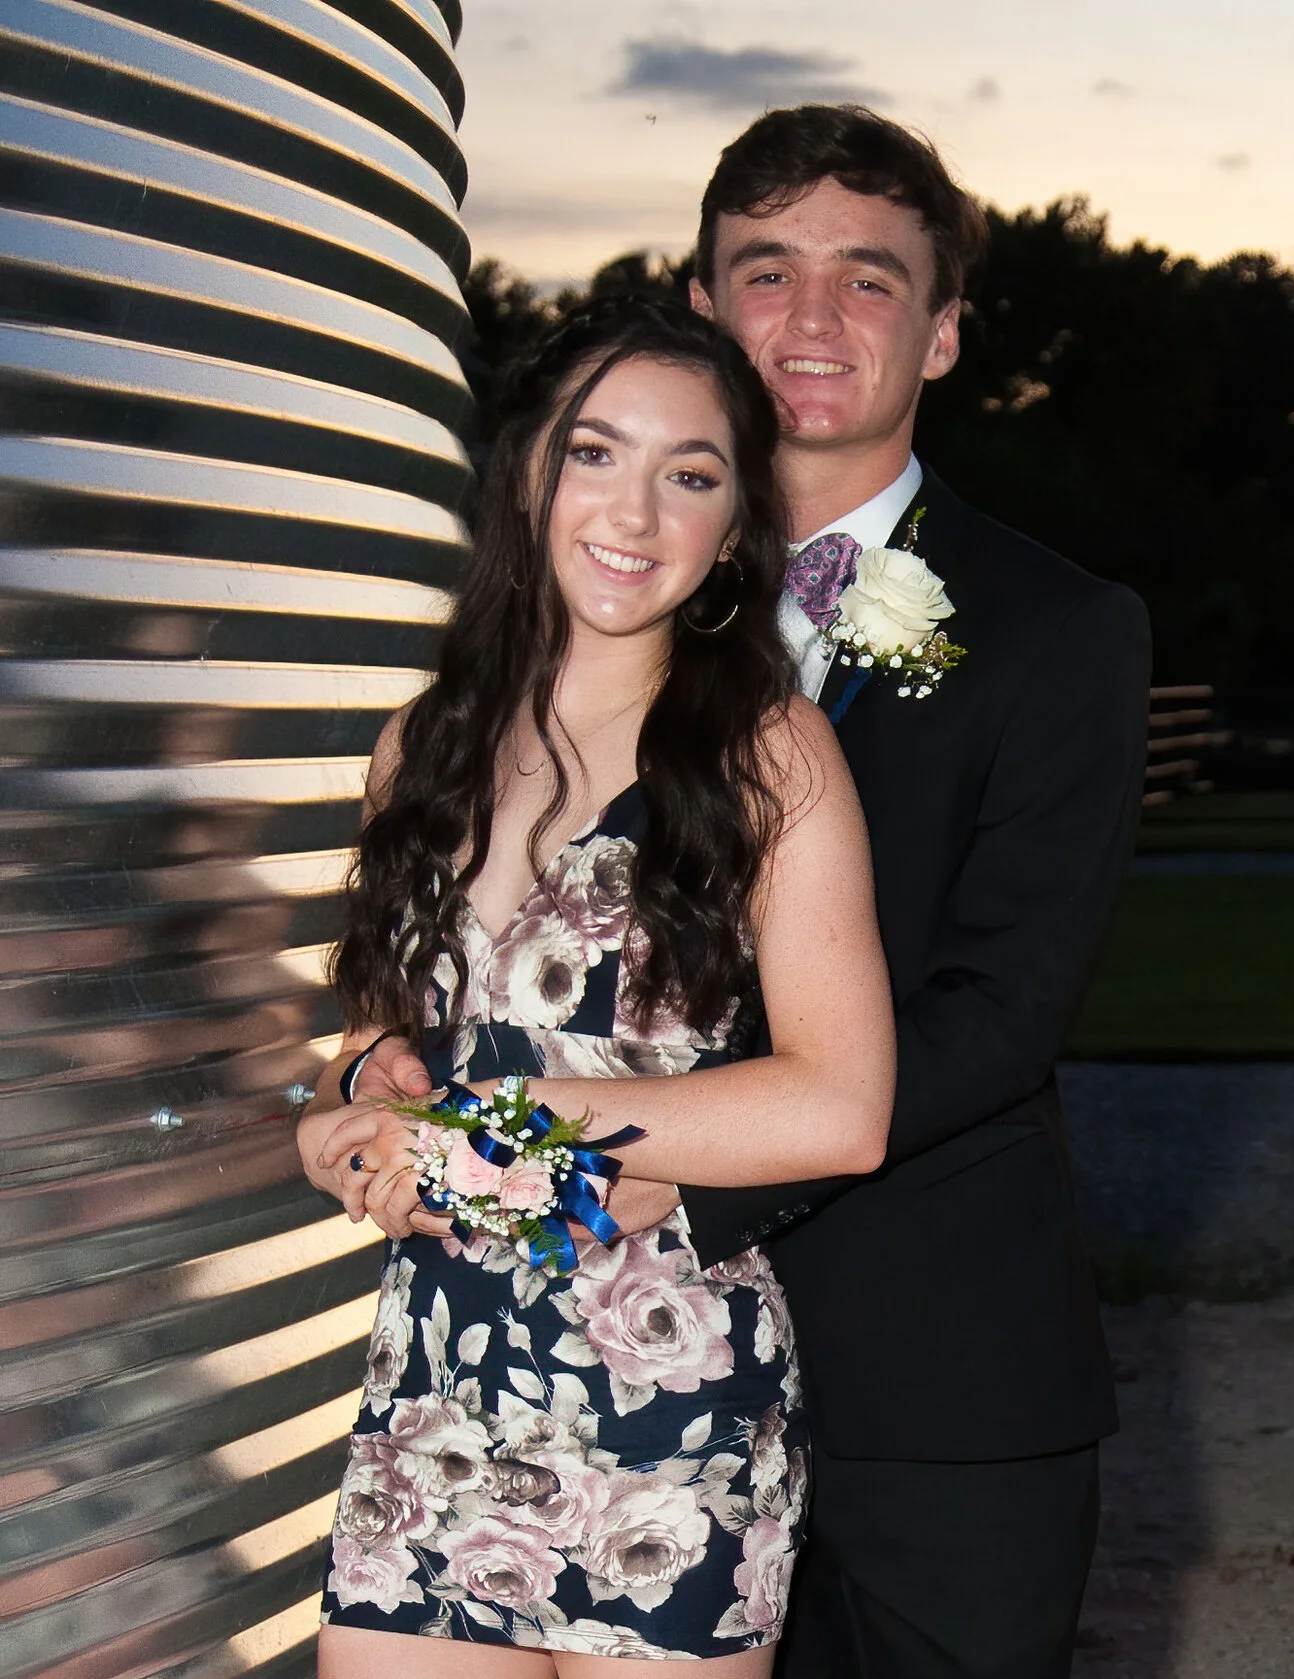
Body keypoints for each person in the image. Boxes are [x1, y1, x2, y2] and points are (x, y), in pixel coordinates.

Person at [353, 105, 1153, 1677]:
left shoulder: (1062, 628)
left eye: (870, 278)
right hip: (555, 1361)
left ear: (943, 333)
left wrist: (676, 1167)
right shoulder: (565, 620)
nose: (813, 316)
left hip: (927, 1362)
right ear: (706, 309)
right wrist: (375, 1086)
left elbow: (1004, 1004)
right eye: (768, 271)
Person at [298, 294, 894, 1672]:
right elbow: (377, 1042)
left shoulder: (769, 755)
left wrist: (506, 1124)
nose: (636, 512)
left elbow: (842, 1104)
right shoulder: (420, 745)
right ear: (526, 470)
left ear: (735, 524)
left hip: (663, 1390)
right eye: (594, 452)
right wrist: (345, 1114)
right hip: (439, 1379)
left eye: (691, 474)